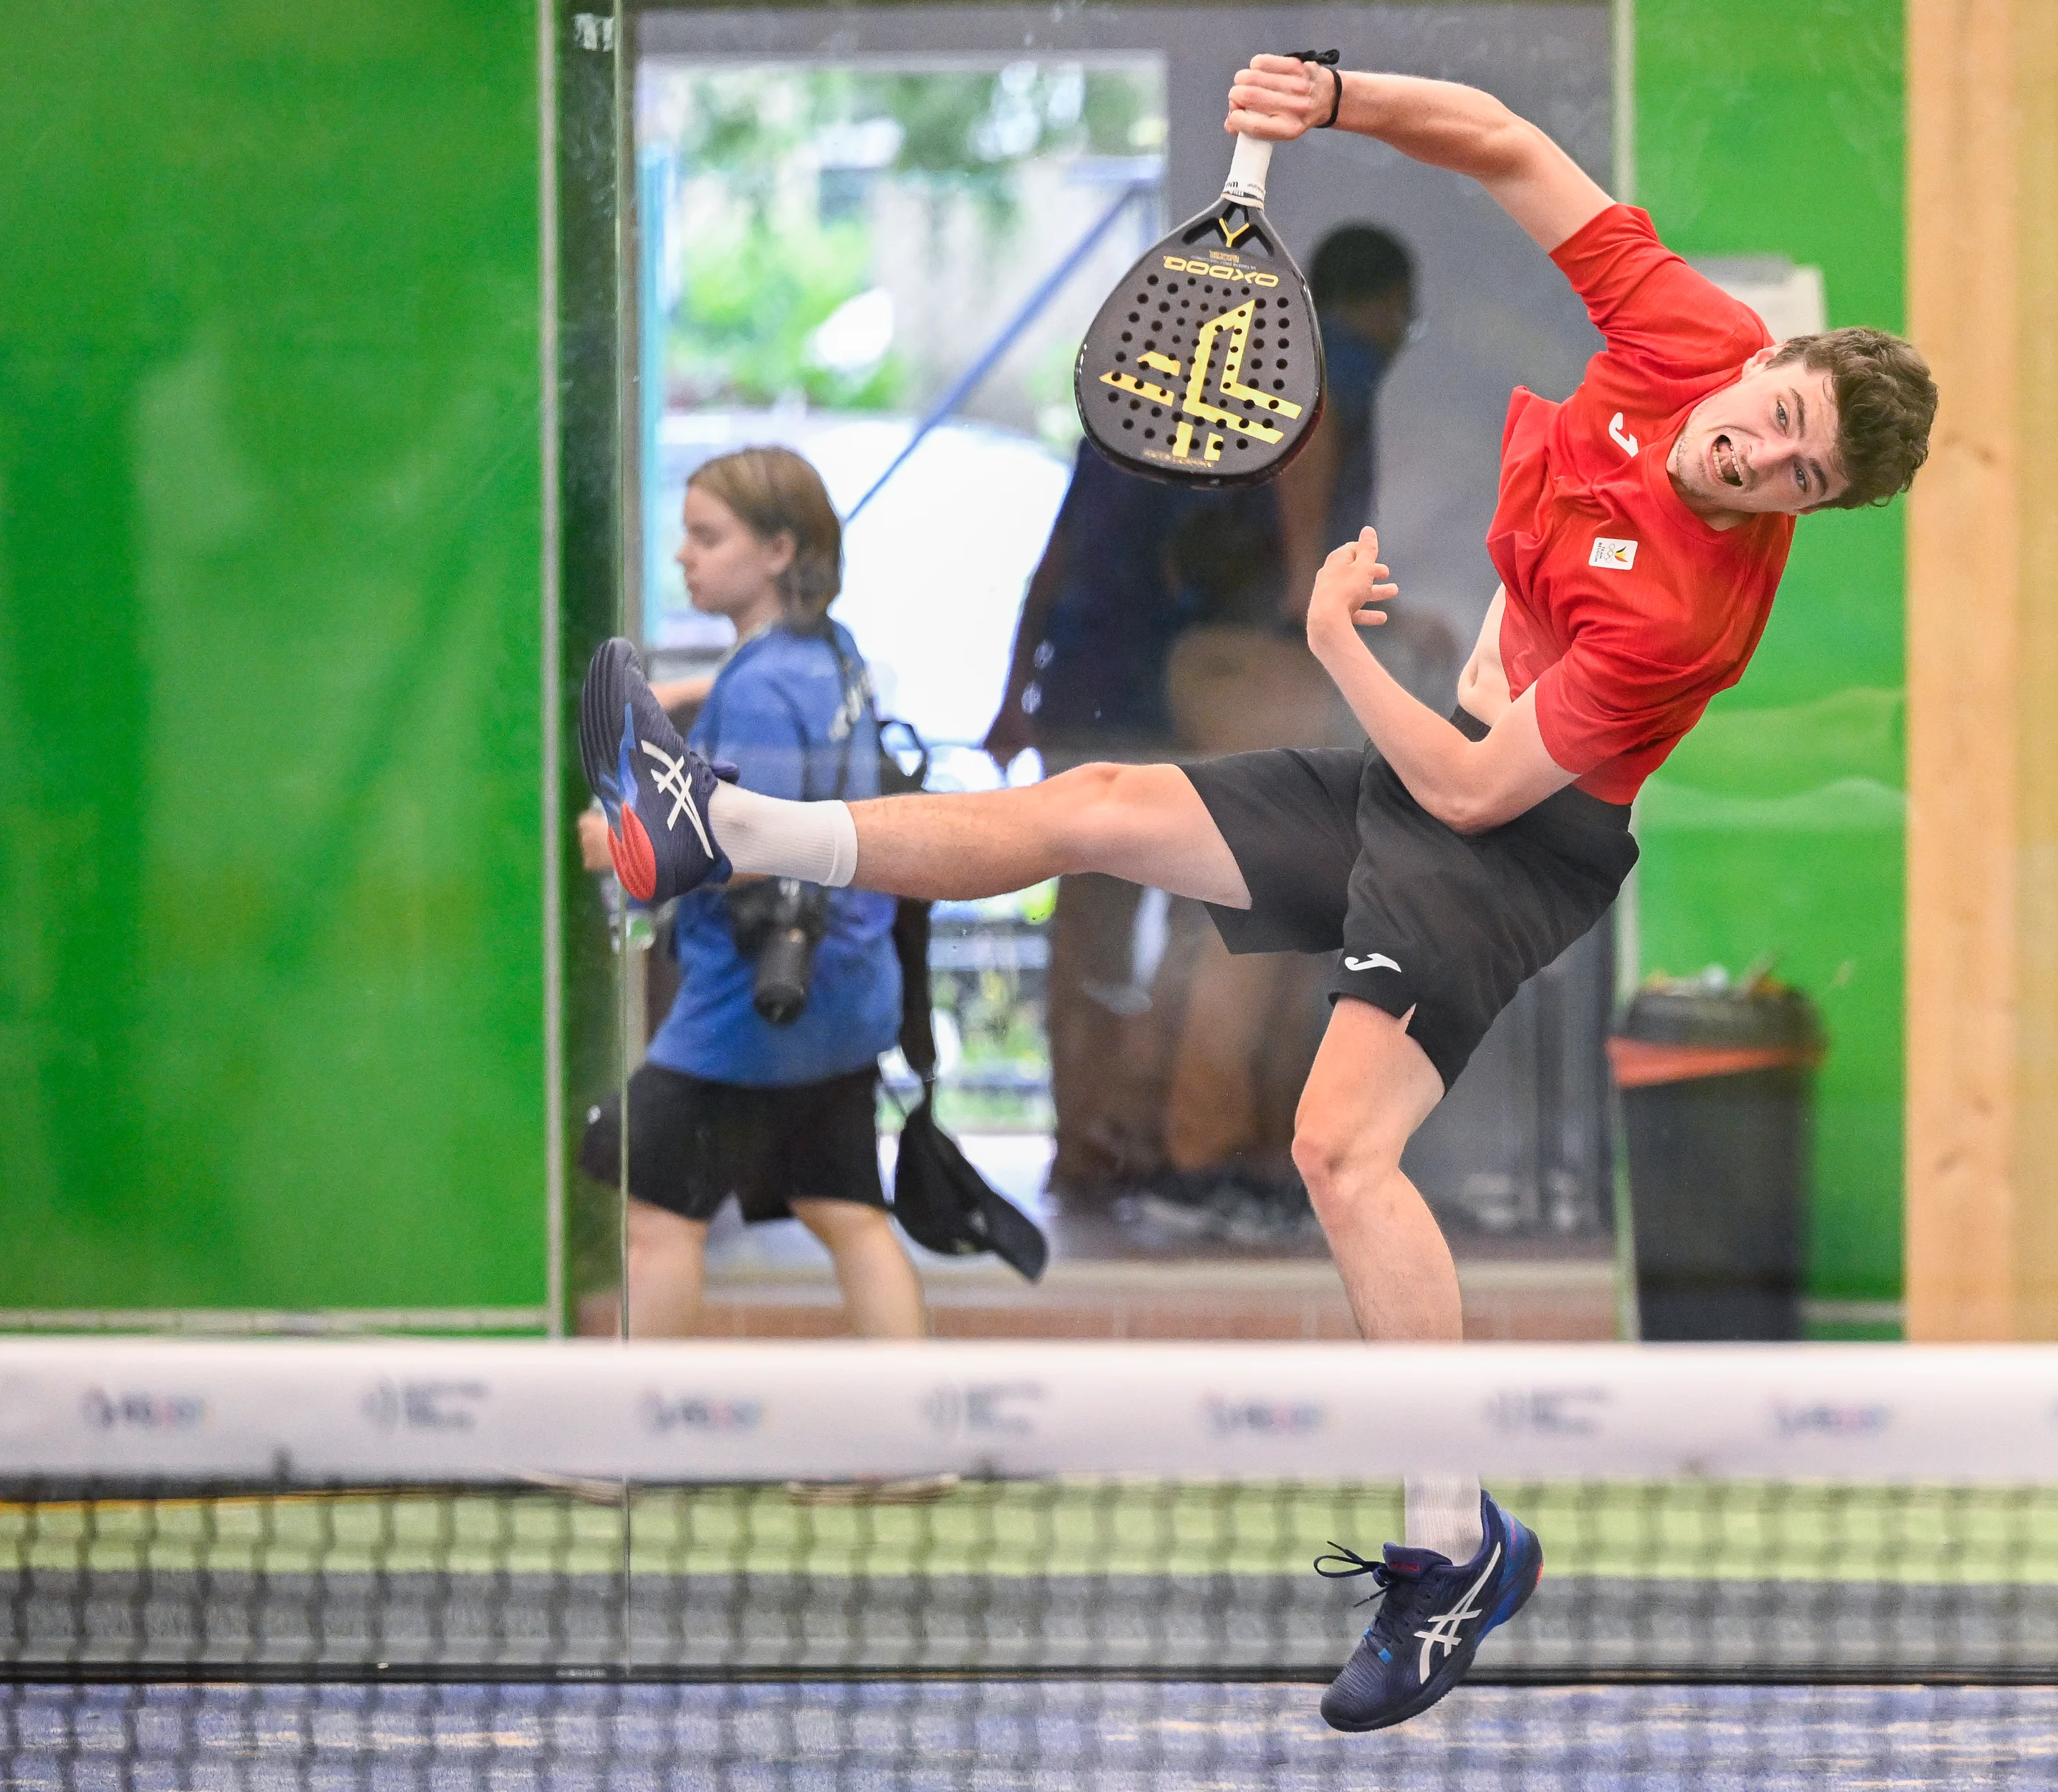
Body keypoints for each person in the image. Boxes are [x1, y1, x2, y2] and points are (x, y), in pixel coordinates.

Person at [583, 61, 1934, 1728]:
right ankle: (725, 829)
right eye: (1774, 412)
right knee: (1087, 809)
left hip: (1514, 842)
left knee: (1336, 1147)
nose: (1752, 448)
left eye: (1792, 472)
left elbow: (1465, 795)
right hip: (1439, 761)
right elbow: (1511, 145)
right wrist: (1340, 94)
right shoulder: (1688, 339)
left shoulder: (1684, 616)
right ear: (1771, 356)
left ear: (1814, 506)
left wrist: (1322, 649)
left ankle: (1452, 1551)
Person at [983, 227, 1425, 1216]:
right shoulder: (1292, 392)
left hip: (1107, 689)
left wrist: (1017, 696)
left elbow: (1052, 569)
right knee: (1219, 922)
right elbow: (1284, 539)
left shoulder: (1135, 424)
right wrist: (1311, 616)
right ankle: (1194, 1146)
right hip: (1172, 689)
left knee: (1111, 939)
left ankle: (1101, 1147)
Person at [578, 446, 926, 1340]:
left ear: (777, 551)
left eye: (706, 536)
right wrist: (690, 693)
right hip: (841, 982)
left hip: (758, 1007)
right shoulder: (829, 653)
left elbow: (756, 839)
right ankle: (918, 1436)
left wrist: (620, 847)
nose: (684, 557)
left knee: (652, 1206)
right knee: (844, 1209)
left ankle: (633, 1436)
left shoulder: (764, 684)